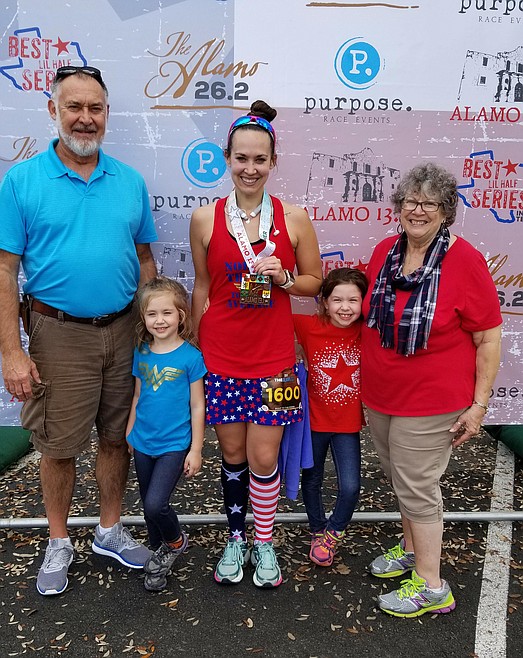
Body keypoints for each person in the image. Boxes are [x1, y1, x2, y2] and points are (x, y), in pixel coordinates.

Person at [0, 66, 158, 596]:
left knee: (116, 437)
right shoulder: (22, 181)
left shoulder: (129, 182)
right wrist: (12, 353)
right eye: (74, 107)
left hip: (124, 329)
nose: (85, 118)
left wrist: (152, 332)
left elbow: (144, 259)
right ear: (53, 110)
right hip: (58, 333)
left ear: (107, 114)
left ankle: (109, 530)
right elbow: (4, 270)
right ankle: (59, 540)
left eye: (95, 108)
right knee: (59, 445)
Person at [190, 100, 322, 588]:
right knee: (232, 456)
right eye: (241, 158)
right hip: (222, 357)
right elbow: (202, 287)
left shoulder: (295, 218)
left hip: (275, 360)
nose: (250, 168)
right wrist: (195, 345)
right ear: (227, 158)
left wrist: (285, 278)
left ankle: (263, 542)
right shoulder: (205, 218)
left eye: (260, 159)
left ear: (273, 162)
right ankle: (235, 538)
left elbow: (315, 282)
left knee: (264, 459)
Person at [361, 163, 502, 617]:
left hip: (432, 401)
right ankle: (410, 550)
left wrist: (479, 405)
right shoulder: (385, 251)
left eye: (430, 203)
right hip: (383, 394)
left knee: (418, 487)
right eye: (410, 201)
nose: (418, 210)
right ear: (398, 206)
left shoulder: (465, 260)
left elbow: (488, 337)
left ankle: (431, 585)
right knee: (400, 478)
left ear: (446, 211)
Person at [126, 277, 206, 591]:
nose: (159, 320)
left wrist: (196, 449)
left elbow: (197, 405)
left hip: (174, 444)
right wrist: (130, 431)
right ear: (143, 318)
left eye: (166, 313)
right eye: (152, 314)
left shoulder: (190, 357)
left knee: (155, 503)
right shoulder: (141, 352)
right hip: (143, 442)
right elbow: (137, 395)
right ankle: (158, 555)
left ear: (180, 315)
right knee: (148, 505)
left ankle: (174, 542)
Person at [293, 267, 368, 567]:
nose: (345, 307)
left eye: (353, 300)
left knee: (350, 486)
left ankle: (333, 532)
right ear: (324, 302)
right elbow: (269, 320)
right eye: (337, 300)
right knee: (311, 480)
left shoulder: (366, 331)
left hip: (347, 425)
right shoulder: (308, 325)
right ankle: (317, 529)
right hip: (313, 421)